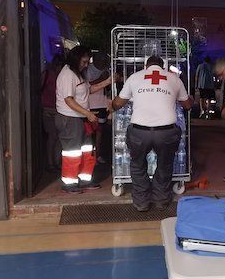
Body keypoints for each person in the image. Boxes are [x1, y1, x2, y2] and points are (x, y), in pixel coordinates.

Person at [111, 55, 193, 211]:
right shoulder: (174, 79)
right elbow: (187, 105)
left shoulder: (135, 77)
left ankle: (141, 203)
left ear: (146, 66)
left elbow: (118, 104)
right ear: (163, 67)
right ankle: (161, 201)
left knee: (138, 165)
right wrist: (191, 99)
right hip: (167, 132)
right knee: (165, 165)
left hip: (139, 132)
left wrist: (113, 104)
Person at [55, 46, 112, 193]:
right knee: (72, 152)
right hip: (70, 119)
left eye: (87, 62)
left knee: (87, 150)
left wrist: (108, 82)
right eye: (84, 62)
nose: (86, 65)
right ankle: (69, 183)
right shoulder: (67, 74)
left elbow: (88, 90)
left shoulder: (79, 74)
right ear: (76, 59)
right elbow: (68, 100)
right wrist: (87, 113)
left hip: (81, 118)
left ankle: (84, 179)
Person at [86, 52, 111, 164]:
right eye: (101, 60)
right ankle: (90, 156)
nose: (103, 63)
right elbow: (87, 85)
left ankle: (97, 155)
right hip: (90, 105)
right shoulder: (88, 70)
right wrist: (103, 79)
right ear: (95, 60)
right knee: (90, 133)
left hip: (102, 105)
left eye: (105, 61)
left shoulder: (106, 70)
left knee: (100, 132)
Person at [41, 55, 64, 173]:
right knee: (52, 137)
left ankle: (57, 162)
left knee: (58, 138)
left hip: (58, 110)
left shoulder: (62, 77)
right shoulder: (47, 74)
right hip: (48, 110)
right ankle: (51, 163)